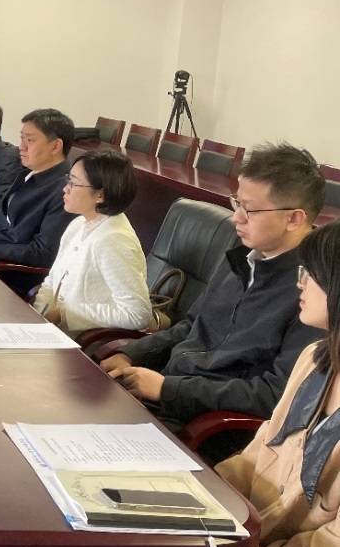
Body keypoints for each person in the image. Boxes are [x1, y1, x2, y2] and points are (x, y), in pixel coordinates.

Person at [89, 220, 340, 547]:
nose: (300, 282)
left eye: (311, 274)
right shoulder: (316, 359)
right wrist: (193, 504)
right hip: (257, 542)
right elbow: (262, 451)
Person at [100, 142, 326, 439]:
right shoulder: (242, 258)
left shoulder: (315, 295)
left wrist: (169, 389)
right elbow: (192, 325)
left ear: (294, 218)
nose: (236, 218)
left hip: (208, 428)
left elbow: (275, 395)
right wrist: (131, 354)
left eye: (249, 210)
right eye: (237, 203)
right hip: (165, 397)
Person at [32, 149, 152, 336]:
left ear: (100, 195)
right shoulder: (79, 224)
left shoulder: (113, 240)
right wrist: (36, 318)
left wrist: (65, 314)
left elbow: (137, 314)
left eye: (74, 183)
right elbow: (51, 282)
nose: (65, 188)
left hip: (84, 343)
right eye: (68, 180)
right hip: (52, 335)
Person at [0, 109, 76, 282]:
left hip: (6, 273)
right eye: (22, 138)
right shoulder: (26, 174)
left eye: (30, 140)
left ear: (56, 146)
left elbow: (42, 253)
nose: (21, 146)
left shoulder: (65, 191)